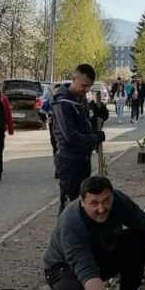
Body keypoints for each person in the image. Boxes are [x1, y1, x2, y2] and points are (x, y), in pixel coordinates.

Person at [52, 63, 108, 211]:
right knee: (70, 205)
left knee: (83, 202)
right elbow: (71, 135)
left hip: (83, 158)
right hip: (69, 160)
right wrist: (94, 138)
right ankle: (64, 233)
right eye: (84, 85)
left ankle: (80, 233)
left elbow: (89, 123)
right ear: (73, 79)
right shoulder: (63, 103)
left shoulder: (81, 100)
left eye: (89, 86)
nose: (87, 90)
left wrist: (99, 112)